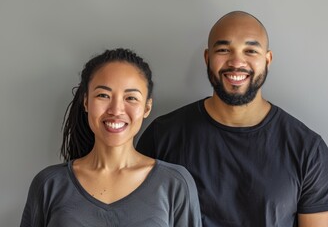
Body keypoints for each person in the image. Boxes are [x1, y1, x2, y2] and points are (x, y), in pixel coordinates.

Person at [136, 11, 328, 226]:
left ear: (267, 60)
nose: (236, 61)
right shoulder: (162, 136)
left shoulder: (307, 149)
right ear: (207, 58)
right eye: (224, 50)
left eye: (250, 50)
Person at [20, 48, 202, 227]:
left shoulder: (175, 184)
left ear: (147, 108)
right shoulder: (49, 184)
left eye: (130, 98)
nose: (115, 110)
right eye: (103, 95)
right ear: (86, 102)